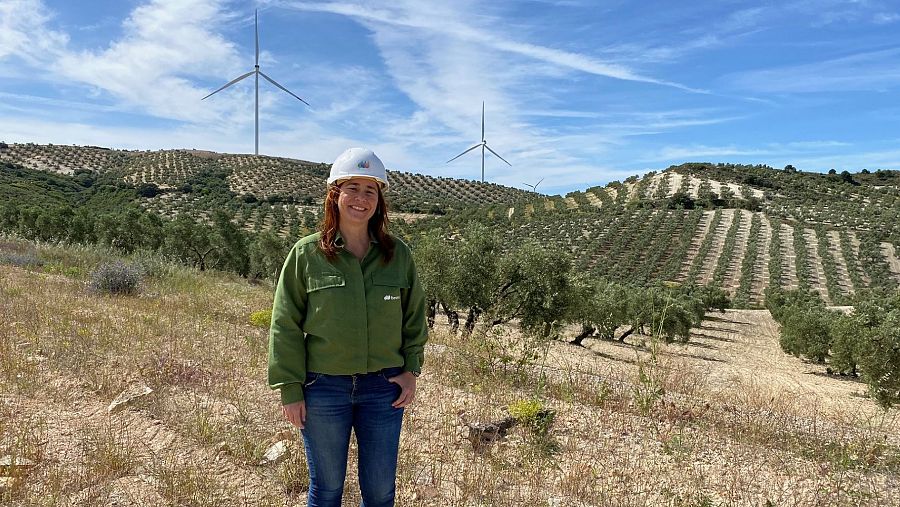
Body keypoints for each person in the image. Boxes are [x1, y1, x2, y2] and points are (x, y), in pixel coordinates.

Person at [268, 147, 428, 507]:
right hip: (323, 389)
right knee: (325, 490)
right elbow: (285, 325)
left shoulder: (397, 254)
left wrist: (411, 369)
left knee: (380, 492)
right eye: (352, 187)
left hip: (383, 389)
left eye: (370, 190)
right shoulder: (306, 254)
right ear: (335, 195)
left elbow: (414, 317)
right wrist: (290, 388)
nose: (361, 198)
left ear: (380, 200)